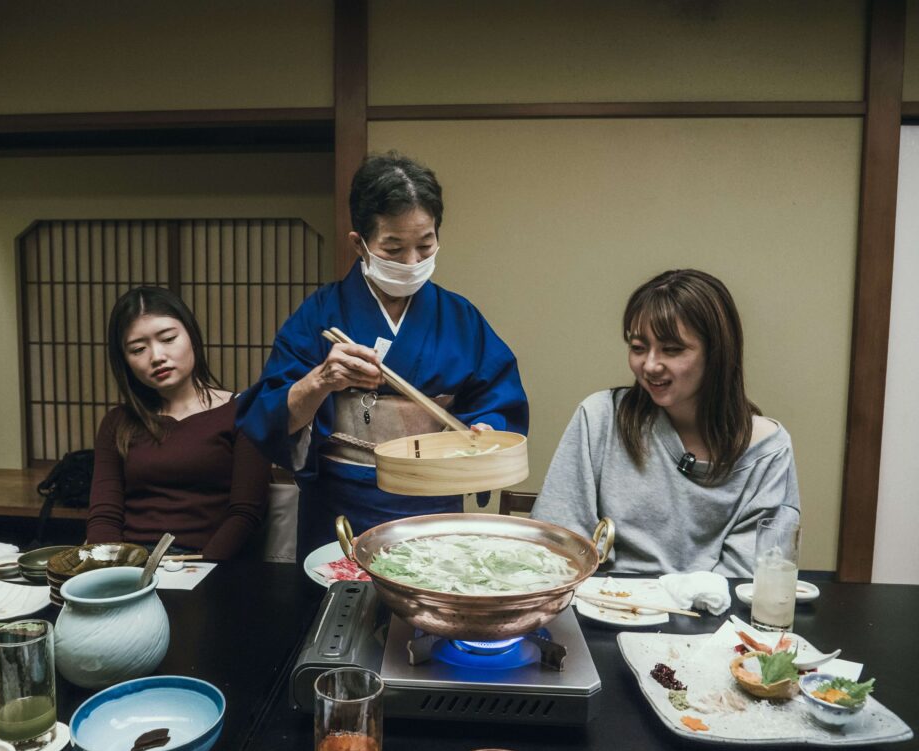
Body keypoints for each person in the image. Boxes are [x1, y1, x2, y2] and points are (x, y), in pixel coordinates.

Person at [236, 152, 529, 560]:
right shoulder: (320, 314)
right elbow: (268, 414)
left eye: (425, 246)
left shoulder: (461, 318)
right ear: (360, 243)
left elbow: (500, 400)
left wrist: (483, 431)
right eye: (393, 248)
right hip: (339, 511)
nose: (412, 262)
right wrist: (321, 379)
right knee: (336, 614)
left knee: (429, 612)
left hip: (432, 507)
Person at [532, 269, 799, 576]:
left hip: (716, 619)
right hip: (603, 610)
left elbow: (747, 578)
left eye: (672, 350)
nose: (650, 365)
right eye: (638, 348)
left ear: (717, 354)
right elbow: (557, 545)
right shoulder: (600, 417)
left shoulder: (768, 450)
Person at [86, 286, 271, 560]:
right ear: (124, 361)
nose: (157, 356)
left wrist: (201, 568)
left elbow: (246, 513)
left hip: (208, 566)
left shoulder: (244, 411)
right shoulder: (117, 423)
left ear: (191, 336)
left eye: (168, 338)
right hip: (129, 566)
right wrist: (109, 572)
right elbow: (105, 515)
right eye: (138, 349)